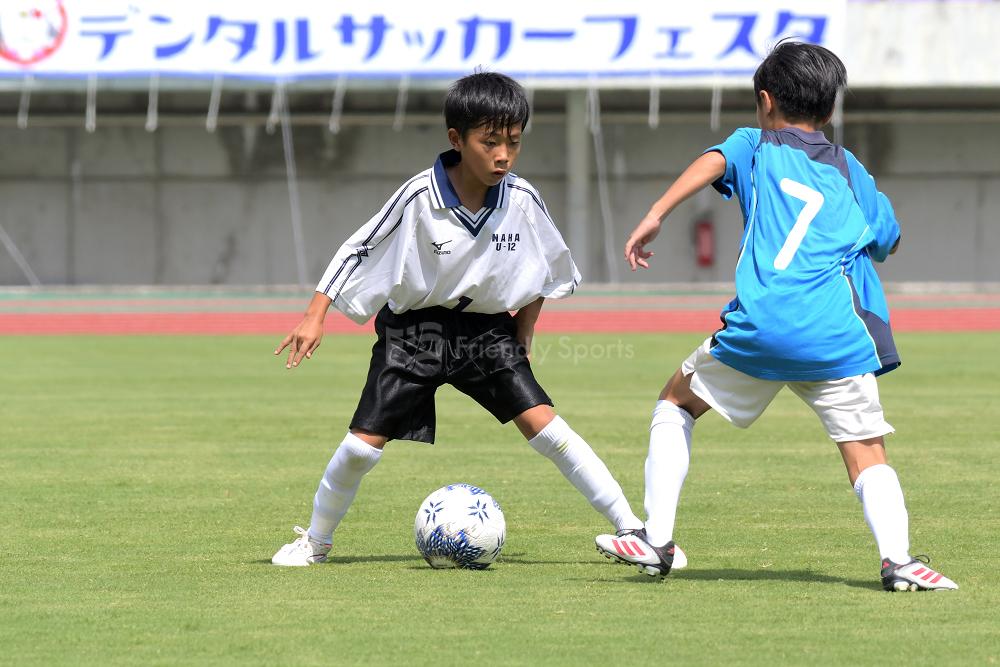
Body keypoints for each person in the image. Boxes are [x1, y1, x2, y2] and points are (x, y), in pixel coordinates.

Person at [594, 41, 957, 592]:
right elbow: (888, 239)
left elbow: (712, 162)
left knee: (676, 403)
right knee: (865, 453)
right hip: (835, 335)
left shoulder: (754, 145)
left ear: (764, 101)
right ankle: (899, 561)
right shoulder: (851, 171)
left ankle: (656, 539)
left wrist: (655, 214)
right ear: (829, 110)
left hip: (761, 330)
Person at [271, 71, 646, 566]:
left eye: (514, 142)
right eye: (490, 142)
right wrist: (314, 314)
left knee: (548, 429)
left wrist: (526, 326)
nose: (503, 155)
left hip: (486, 332)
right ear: (456, 139)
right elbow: (359, 249)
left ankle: (634, 529)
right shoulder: (418, 196)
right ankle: (316, 541)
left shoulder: (522, 199)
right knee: (361, 448)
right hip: (414, 331)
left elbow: (550, 269)